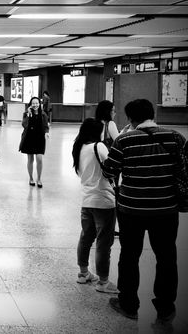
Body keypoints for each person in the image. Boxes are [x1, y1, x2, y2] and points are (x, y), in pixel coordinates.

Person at [102, 99, 186, 322]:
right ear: (153, 114)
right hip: (166, 208)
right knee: (166, 256)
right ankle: (166, 307)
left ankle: (129, 304)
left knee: (130, 255)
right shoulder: (175, 137)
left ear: (130, 118)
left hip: (131, 209)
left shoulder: (125, 139)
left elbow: (109, 170)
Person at [71, 118, 118, 294]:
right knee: (103, 243)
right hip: (103, 201)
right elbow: (112, 167)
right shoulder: (99, 147)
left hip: (87, 200)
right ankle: (103, 282)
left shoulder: (79, 148)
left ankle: (83, 274)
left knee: (86, 237)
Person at [19, 96, 50, 188]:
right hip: (29, 137)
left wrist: (47, 133)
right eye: (33, 103)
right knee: (30, 159)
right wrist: (28, 114)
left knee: (39, 159)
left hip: (39, 138)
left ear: (39, 104)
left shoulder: (43, 114)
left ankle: (39, 179)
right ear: (30, 105)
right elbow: (24, 125)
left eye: (37, 103)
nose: (35, 105)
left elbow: (46, 125)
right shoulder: (26, 113)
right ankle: (31, 178)